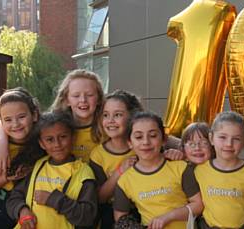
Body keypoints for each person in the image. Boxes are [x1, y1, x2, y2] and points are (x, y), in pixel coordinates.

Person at [6, 112, 97, 228]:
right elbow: (14, 197)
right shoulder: (38, 165)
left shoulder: (83, 173)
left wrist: (53, 199)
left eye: (63, 137)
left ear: (73, 138)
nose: (57, 144)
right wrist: (22, 210)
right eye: (50, 140)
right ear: (41, 143)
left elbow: (87, 217)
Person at [113, 111, 203, 229]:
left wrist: (168, 217)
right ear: (130, 143)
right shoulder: (125, 181)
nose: (146, 142)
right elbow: (120, 219)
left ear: (164, 139)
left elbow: (198, 205)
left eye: (153, 135)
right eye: (139, 137)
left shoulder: (180, 168)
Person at [194, 111, 244, 229]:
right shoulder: (199, 170)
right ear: (211, 138)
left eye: (236, 139)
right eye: (222, 137)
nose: (229, 144)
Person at [0, 88, 41, 229]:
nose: (15, 124)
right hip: (3, 209)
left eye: (21, 117)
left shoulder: (44, 138)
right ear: (1, 122)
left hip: (38, 205)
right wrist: (7, 177)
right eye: (8, 120)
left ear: (34, 115)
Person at [180, 122, 244, 204]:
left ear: (213, 144)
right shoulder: (181, 168)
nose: (197, 148)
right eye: (191, 144)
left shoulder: (225, 166)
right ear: (183, 149)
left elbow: (242, 179)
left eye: (204, 143)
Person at [89, 90, 142, 228]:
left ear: (132, 117)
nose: (111, 120)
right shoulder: (98, 155)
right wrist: (120, 171)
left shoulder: (143, 145)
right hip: (111, 213)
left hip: (144, 207)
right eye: (106, 115)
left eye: (117, 115)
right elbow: (100, 197)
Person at [51, 69, 105, 162]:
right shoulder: (54, 128)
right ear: (67, 100)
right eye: (76, 96)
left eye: (89, 95)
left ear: (99, 99)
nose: (83, 100)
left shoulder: (108, 129)